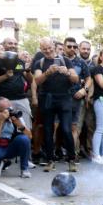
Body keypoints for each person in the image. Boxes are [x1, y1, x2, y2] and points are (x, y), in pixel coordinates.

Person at [33, 38, 79, 172]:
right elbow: (37, 80)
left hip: (64, 98)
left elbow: (76, 79)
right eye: (44, 48)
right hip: (47, 98)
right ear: (41, 49)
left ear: (54, 46)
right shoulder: (39, 63)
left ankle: (71, 159)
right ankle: (50, 160)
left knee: (66, 129)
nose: (47, 50)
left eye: (49, 47)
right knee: (47, 130)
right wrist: (48, 72)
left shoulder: (66, 60)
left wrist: (68, 72)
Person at [63, 37, 91, 163]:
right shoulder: (57, 60)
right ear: (64, 47)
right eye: (69, 46)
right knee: (56, 127)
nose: (72, 49)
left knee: (75, 128)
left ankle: (72, 156)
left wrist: (84, 90)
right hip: (59, 98)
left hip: (76, 99)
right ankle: (51, 156)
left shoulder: (81, 62)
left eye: (74, 47)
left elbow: (89, 79)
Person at [0, 97, 32, 178]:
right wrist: (0, 120)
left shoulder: (16, 116)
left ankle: (24, 169)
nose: (10, 111)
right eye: (7, 109)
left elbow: (29, 136)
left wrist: (18, 124)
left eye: (11, 108)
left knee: (23, 139)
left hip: (10, 147)